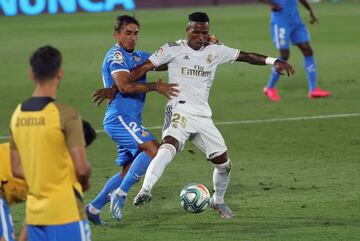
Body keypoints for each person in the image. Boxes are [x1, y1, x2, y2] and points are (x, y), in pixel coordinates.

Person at [109, 12, 295, 219]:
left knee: (224, 164)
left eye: (204, 32)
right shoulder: (172, 48)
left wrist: (274, 61)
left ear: (208, 32)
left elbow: (246, 56)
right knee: (168, 145)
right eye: (196, 31)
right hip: (179, 108)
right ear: (188, 30)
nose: (200, 36)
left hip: (203, 116)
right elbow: (140, 69)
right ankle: (145, 190)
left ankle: (218, 201)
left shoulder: (216, 50)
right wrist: (115, 87)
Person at [85, 15, 179, 224]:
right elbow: (125, 86)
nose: (132, 37)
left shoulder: (138, 56)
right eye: (128, 33)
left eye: (136, 33)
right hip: (120, 117)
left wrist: (192, 48)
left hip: (130, 119)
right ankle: (121, 193)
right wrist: (155, 86)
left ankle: (93, 208)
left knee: (128, 170)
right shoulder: (116, 56)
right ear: (116, 34)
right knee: (154, 149)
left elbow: (165, 62)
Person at [9, 46, 92, 241]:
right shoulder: (66, 115)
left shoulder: (17, 115)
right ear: (60, 73)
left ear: (31, 74)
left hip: (35, 216)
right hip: (67, 212)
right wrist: (85, 182)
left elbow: (16, 169)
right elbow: (82, 169)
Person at [260, 0, 331, 101]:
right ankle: (269, 88)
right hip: (280, 22)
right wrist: (272, 4)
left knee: (307, 50)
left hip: (295, 21)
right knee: (284, 55)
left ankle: (313, 89)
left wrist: (310, 10)